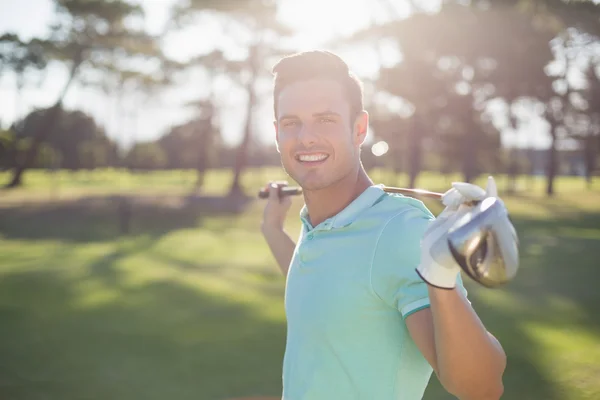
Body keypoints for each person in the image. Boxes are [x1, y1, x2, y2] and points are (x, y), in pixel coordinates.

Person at [260, 50, 506, 400]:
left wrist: (439, 275)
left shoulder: (400, 230)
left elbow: (481, 388)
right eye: (291, 123)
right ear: (276, 133)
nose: (306, 138)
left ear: (358, 128)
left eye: (325, 119)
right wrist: (273, 231)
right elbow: (327, 288)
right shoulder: (318, 223)